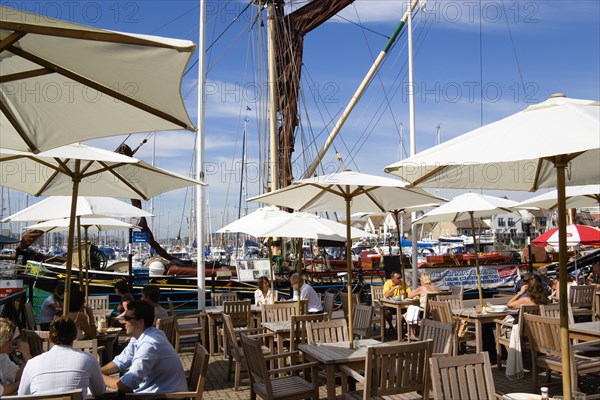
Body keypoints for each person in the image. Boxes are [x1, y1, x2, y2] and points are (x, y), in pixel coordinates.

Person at [101, 300, 187, 394]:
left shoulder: (150, 344)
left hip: (163, 397)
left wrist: (99, 377)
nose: (124, 322)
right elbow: (120, 362)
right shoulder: (142, 336)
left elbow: (126, 385)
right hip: (156, 393)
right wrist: (97, 371)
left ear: (140, 322)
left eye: (127, 318)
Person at [18, 317, 105, 398]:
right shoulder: (88, 360)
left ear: (49, 338)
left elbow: (22, 395)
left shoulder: (32, 363)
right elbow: (99, 391)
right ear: (74, 336)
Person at [0, 317, 31, 396]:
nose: (13, 341)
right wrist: (20, 384)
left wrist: (27, 358)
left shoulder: (3, 356)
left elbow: (16, 375)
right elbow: (2, 391)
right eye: (9, 338)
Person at [405, 272, 438, 339]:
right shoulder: (435, 288)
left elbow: (410, 296)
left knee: (409, 311)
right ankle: (413, 332)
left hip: (424, 311)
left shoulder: (421, 288)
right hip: (434, 311)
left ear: (421, 280)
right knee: (414, 310)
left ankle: (411, 333)